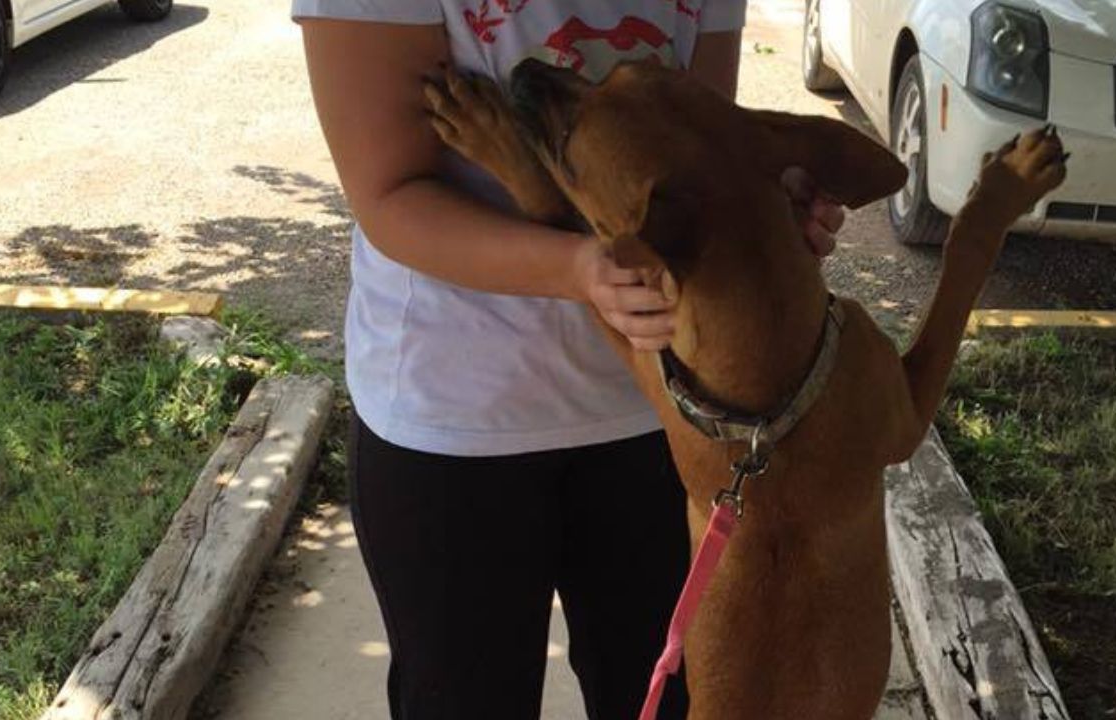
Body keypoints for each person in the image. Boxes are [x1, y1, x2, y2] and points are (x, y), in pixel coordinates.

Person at [293, 1, 846, 718]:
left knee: (669, 703)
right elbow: (390, 193)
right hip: (456, 419)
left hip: (660, 416)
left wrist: (761, 210)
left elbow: (687, 153)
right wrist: (576, 264)